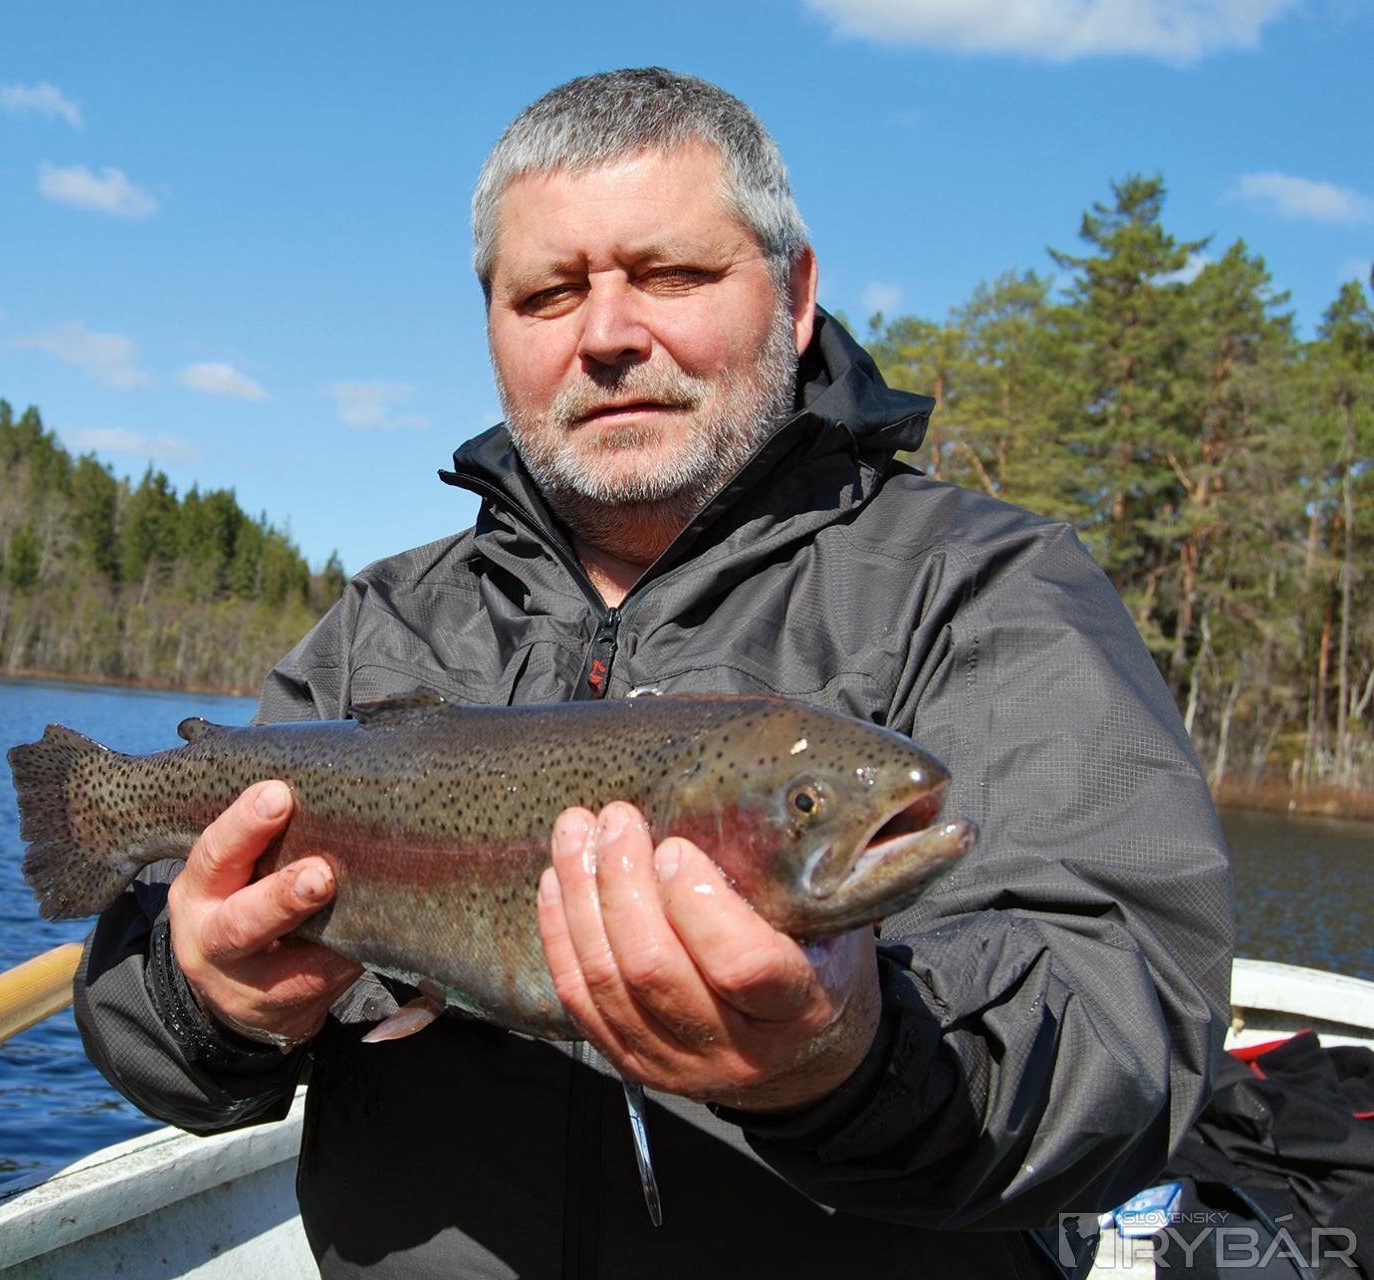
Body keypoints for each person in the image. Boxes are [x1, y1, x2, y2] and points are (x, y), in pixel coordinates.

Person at [73, 68, 1233, 1277]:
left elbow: (1132, 1030)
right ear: (493, 329)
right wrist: (203, 999)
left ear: (793, 295)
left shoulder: (985, 588)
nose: (607, 334)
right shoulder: (385, 621)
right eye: (547, 293)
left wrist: (852, 1058)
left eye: (671, 274)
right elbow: (151, 1038)